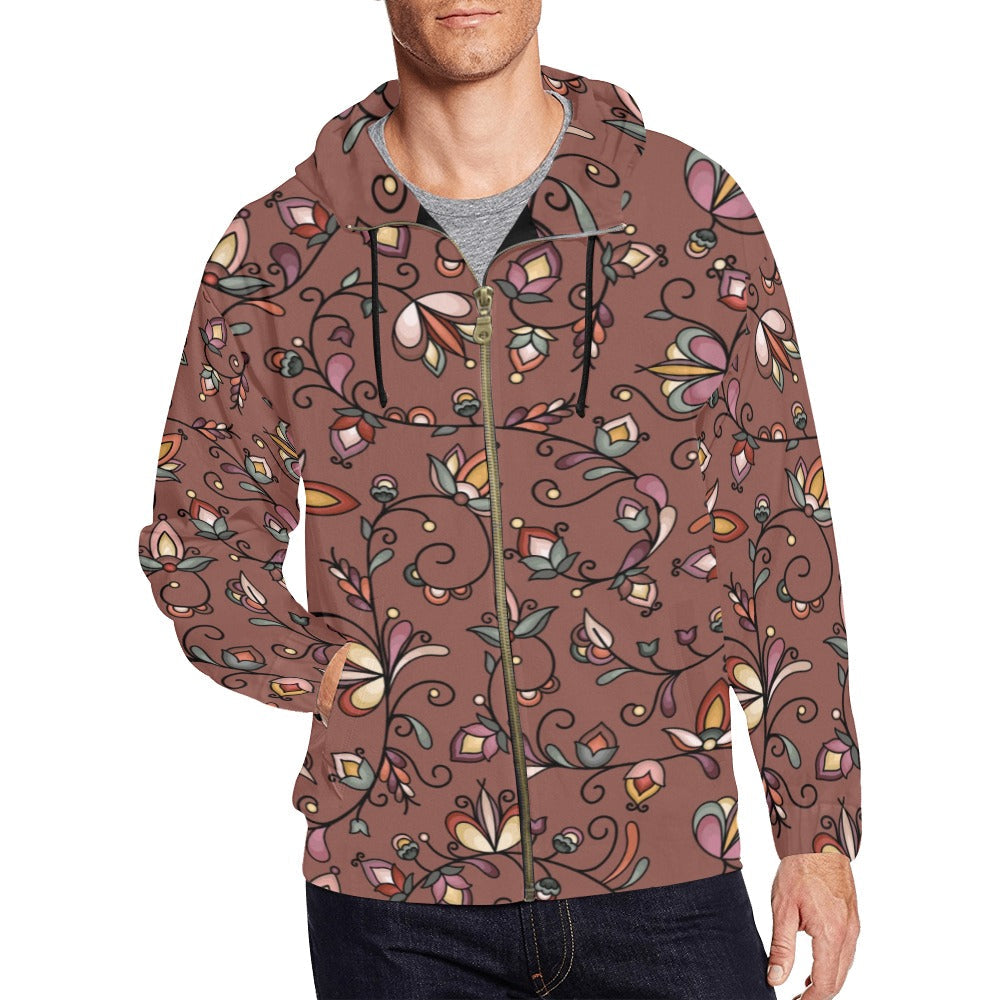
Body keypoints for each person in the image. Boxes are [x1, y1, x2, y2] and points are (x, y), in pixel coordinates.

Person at [136, 2, 862, 997]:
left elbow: (780, 520)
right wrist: (325, 675)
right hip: (393, 889)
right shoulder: (282, 248)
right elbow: (198, 532)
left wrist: (814, 826)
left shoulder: (687, 211)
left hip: (664, 862)